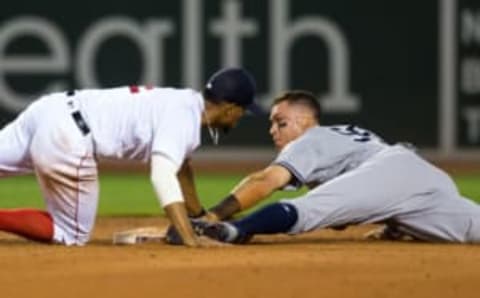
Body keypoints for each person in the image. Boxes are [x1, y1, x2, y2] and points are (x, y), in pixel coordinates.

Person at [0, 67, 262, 247]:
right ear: (230, 108)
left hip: (50, 108)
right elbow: (162, 175)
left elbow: (181, 167)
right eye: (242, 111)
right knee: (70, 235)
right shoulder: (184, 120)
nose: (240, 118)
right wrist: (189, 237)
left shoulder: (183, 102)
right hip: (68, 138)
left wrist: (199, 216)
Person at [193, 90, 480, 244]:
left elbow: (265, 181)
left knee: (307, 210)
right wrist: (394, 225)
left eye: (281, 122)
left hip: (395, 171)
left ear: (305, 122)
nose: (272, 131)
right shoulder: (343, 133)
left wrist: (215, 214)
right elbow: (384, 185)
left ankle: (234, 231)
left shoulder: (311, 138)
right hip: (428, 179)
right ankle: (398, 225)